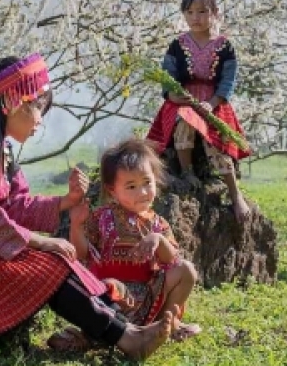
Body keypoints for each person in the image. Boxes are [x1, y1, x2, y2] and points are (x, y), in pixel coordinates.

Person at [0, 54, 176, 360]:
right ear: (13, 102)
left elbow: (16, 205)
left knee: (54, 260)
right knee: (50, 262)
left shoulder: (0, 147)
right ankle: (127, 337)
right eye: (38, 109)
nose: (40, 121)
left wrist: (66, 201)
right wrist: (43, 241)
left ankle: (127, 330)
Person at [71, 138, 201, 340]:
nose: (142, 192)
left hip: (149, 296)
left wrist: (157, 239)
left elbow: (171, 260)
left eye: (147, 183)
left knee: (187, 270)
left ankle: (166, 323)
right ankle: (99, 333)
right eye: (131, 186)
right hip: (114, 297)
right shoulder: (101, 217)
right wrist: (76, 226)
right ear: (112, 189)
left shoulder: (158, 223)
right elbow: (82, 254)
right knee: (108, 285)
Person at [146, 0, 253, 222]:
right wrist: (172, 95)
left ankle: (235, 195)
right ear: (184, 13)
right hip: (182, 101)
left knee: (217, 139)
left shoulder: (225, 46)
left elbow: (228, 80)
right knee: (184, 119)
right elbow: (168, 75)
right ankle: (187, 172)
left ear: (214, 12)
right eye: (190, 12)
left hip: (214, 103)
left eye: (203, 11)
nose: (196, 18)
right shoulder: (177, 45)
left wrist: (212, 102)